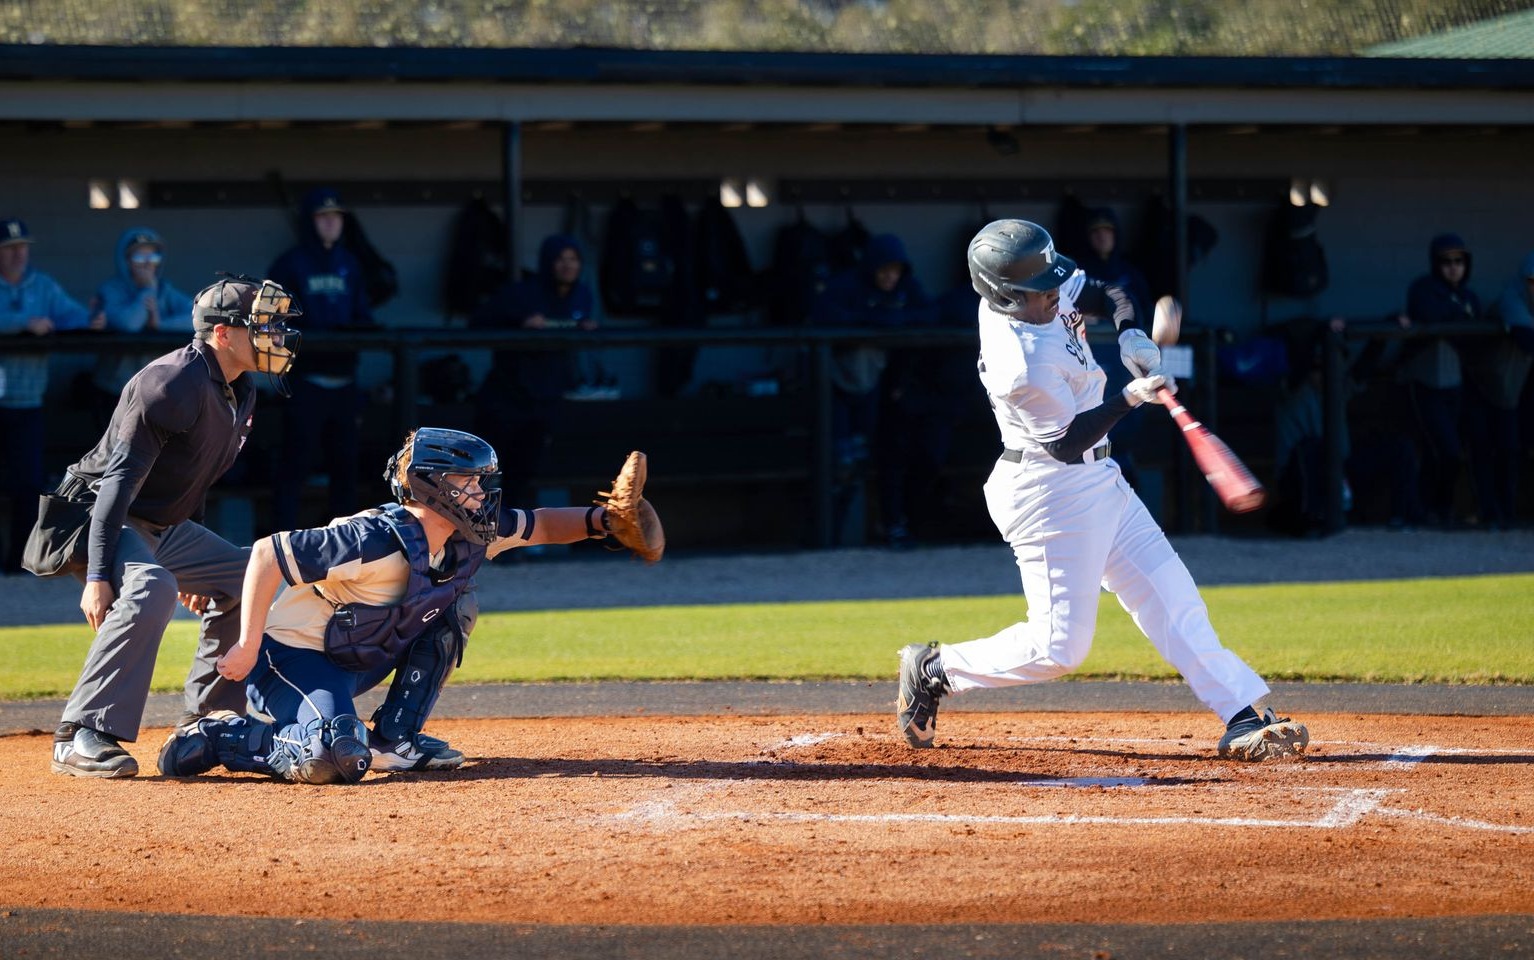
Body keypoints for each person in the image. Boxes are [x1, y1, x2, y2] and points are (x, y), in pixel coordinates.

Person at [895, 220, 1308, 763]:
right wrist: (1132, 396)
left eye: (1051, 281)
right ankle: (934, 669)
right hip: (1049, 490)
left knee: (1171, 593)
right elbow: (1067, 443)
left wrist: (1130, 331)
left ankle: (1242, 715)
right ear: (1003, 295)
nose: (1052, 292)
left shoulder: (1034, 279)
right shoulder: (1019, 363)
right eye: (1039, 290)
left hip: (1099, 478)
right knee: (1058, 648)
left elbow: (1109, 291)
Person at [155, 428, 651, 784]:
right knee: (334, 755)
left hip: (358, 654)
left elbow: (540, 524)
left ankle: (395, 738)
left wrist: (605, 520)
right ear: (433, 487)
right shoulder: (371, 537)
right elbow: (267, 553)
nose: (481, 495)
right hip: (289, 659)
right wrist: (245, 643)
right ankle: (224, 734)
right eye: (468, 483)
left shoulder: (466, 534)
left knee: (455, 604)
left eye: (481, 483)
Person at [43, 275, 301, 777]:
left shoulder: (239, 389)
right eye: (260, 325)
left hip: (163, 522)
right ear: (223, 334)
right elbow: (117, 484)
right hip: (98, 513)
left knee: (251, 575)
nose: (275, 334)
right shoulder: (170, 382)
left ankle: (210, 721)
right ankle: (78, 734)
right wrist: (98, 577)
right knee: (152, 585)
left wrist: (198, 571)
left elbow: (194, 476)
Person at [810, 233, 938, 545]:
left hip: (881, 393)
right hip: (834, 389)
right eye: (884, 270)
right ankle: (826, 538)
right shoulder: (845, 286)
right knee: (841, 463)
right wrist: (877, 320)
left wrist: (891, 319)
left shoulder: (907, 288)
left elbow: (931, 314)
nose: (889, 277)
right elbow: (824, 317)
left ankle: (886, 527)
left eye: (895, 270)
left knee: (879, 457)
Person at [267, 187, 376, 531]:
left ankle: (342, 543)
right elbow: (271, 319)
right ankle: (280, 539)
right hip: (306, 382)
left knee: (345, 466)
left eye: (337, 217)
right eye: (323, 217)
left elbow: (364, 314)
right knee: (295, 465)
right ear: (310, 222)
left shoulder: (351, 263)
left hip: (345, 383)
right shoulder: (290, 264)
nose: (331, 224)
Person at [469, 233, 600, 512]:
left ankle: (513, 537)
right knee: (488, 472)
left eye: (573, 259)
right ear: (548, 262)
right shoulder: (522, 293)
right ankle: (478, 538)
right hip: (507, 395)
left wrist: (585, 331)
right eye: (561, 259)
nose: (567, 265)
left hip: (547, 397)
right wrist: (519, 325)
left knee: (526, 469)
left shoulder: (582, 295)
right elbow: (477, 323)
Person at [0, 217, 96, 573]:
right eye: (8, 249)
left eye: (21, 247)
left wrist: (92, 320)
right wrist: (24, 325)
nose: (16, 255)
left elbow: (71, 316)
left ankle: (17, 564)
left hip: (28, 403)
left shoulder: (42, 285)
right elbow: (27, 322)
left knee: (27, 486)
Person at [1400, 232, 1483, 528]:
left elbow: (1475, 324)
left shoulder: (1468, 296)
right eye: (1446, 262)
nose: (1453, 267)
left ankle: (1441, 509)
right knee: (1440, 450)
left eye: (1459, 261)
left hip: (1456, 386)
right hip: (1425, 384)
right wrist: (1457, 316)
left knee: (1453, 452)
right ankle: (1424, 510)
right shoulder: (1423, 289)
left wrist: (1459, 315)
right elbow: (1433, 315)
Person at [1074, 206, 1152, 490]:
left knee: (1127, 426)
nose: (1102, 238)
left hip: (1126, 362)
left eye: (1107, 231)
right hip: (1089, 363)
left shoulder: (1130, 273)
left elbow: (1142, 312)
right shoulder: (1077, 274)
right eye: (1096, 232)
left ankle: (1127, 482)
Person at [86, 227, 194, 430]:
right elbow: (130, 324)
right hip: (115, 389)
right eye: (138, 256)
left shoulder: (164, 290)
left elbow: (196, 317)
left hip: (153, 391)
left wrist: (160, 324)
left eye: (152, 256)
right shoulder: (111, 290)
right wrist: (147, 290)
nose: (146, 263)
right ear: (125, 260)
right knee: (114, 456)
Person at [1462, 251, 1534, 529]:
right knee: (1482, 450)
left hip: (1511, 391)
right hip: (1482, 386)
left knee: (1510, 450)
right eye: (1532, 281)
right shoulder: (1511, 299)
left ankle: (1507, 513)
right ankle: (1489, 513)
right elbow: (1527, 339)